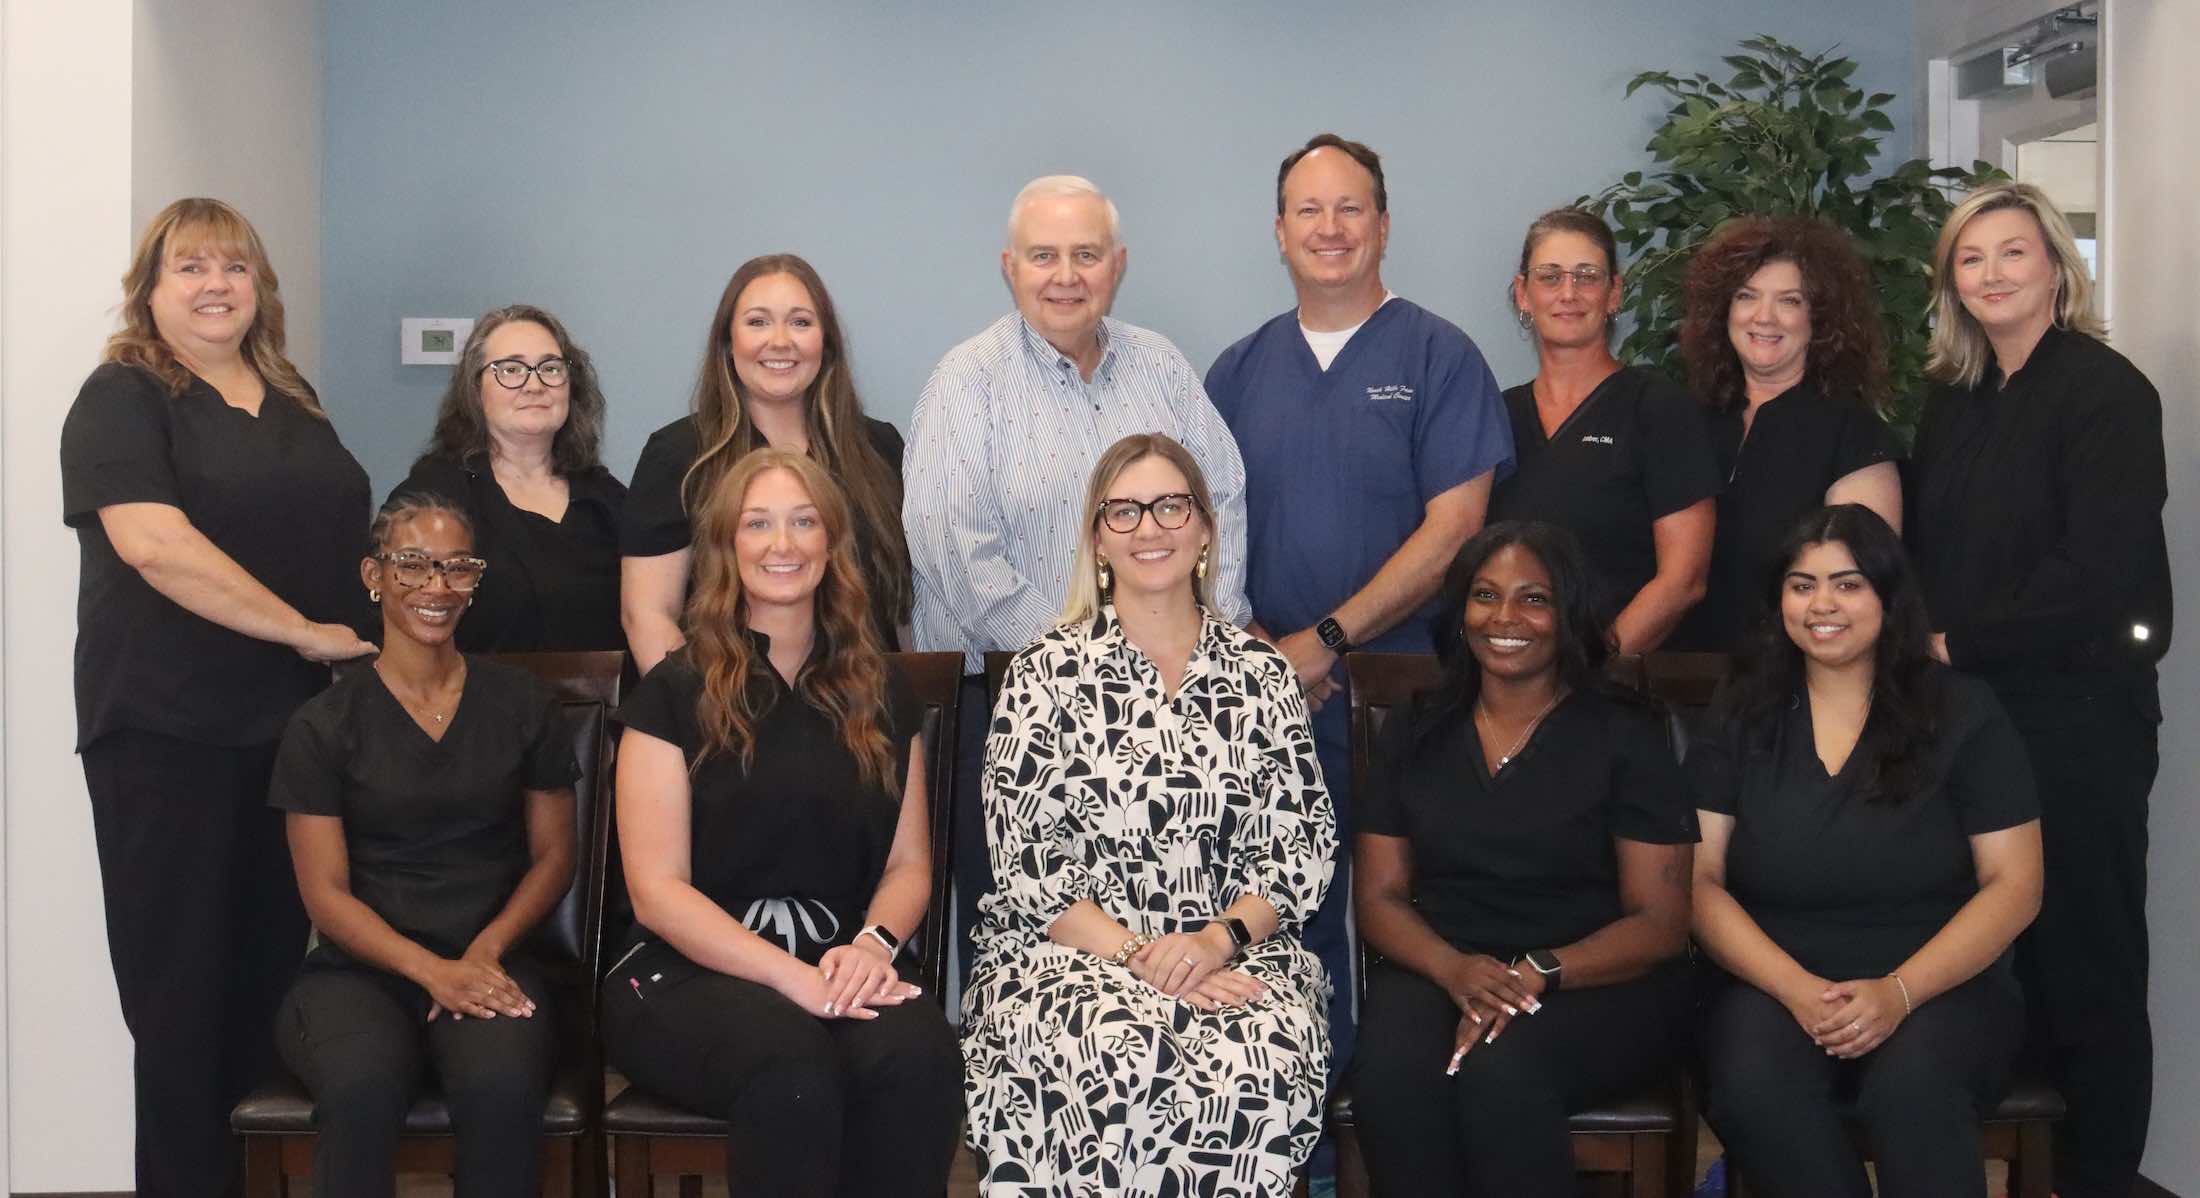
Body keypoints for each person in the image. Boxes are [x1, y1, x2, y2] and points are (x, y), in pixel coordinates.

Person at [59, 197, 375, 1198]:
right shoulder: (122, 396)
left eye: (234, 267)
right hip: (168, 734)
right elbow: (154, 546)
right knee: (181, 1005)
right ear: (149, 291)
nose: (215, 285)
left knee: (271, 994)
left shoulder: (292, 396)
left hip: (291, 738)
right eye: (190, 267)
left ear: (259, 287)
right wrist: (301, 631)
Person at [1206, 134, 1512, 1077]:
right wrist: (1264, 650)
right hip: (1267, 699)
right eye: (1309, 209)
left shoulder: (1439, 355)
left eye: (1350, 208)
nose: (1330, 227)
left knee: (1414, 913)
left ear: (1382, 224)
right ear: (1279, 231)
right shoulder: (1236, 371)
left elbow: (1456, 527)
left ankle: (1405, 1111)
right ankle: (1311, 1116)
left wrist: (1328, 640)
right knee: (1281, 912)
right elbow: (1200, 530)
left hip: (1407, 697)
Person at [903, 174, 1253, 985]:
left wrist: (1211, 645)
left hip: (1177, 705)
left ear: (1117, 264)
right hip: (1007, 704)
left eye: (1086, 255)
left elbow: (1223, 502)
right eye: (1044, 256)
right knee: (1033, 942)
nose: (1066, 276)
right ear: (1009, 266)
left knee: (1170, 935)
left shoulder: (1162, 368)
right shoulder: (967, 380)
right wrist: (1092, 667)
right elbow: (954, 549)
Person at [963, 433, 1334, 1194]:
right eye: (1124, 511)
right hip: (1069, 955)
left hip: (1232, 952)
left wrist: (1212, 943)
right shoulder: (1042, 674)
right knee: (1106, 1046)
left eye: (1170, 506)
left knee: (1255, 1055)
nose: (1149, 528)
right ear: (1097, 539)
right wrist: (1143, 956)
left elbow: (1296, 853)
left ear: (1205, 530)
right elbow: (1029, 867)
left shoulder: (1263, 676)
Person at [1906, 181, 2169, 1198]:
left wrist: (1955, 640)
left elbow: (2096, 572)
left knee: (2086, 963)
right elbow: (1929, 553)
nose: (1992, 274)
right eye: (1970, 259)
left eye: (2012, 252)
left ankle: (2097, 1179)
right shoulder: (1954, 400)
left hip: (2079, 722)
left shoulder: (2107, 392)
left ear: (2057, 267)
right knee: (1994, 960)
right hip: (1969, 719)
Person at [604, 448, 961, 1196]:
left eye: (803, 522)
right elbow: (657, 893)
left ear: (831, 542)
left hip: (843, 960)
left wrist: (872, 947)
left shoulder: (881, 689)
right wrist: (795, 981)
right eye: (758, 524)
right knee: (791, 1068)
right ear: (726, 546)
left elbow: (909, 867)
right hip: (684, 974)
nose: (783, 544)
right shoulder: (672, 692)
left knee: (917, 1056)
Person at [1691, 505, 2044, 1197]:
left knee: (1914, 1087)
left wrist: (1898, 993)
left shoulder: (1964, 710)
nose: (1822, 604)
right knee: (1752, 1084)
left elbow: (2015, 884)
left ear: (1889, 596)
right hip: (1775, 981)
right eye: (1802, 585)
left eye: (1848, 584)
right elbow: (1698, 882)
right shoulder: (1740, 710)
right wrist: (1796, 989)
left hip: (1941, 984)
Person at [1350, 521, 1697, 1196]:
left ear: (1570, 613)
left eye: (1534, 598)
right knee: (1393, 1078)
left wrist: (1541, 970)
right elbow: (1378, 897)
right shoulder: (1417, 728)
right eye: (1485, 595)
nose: (1505, 617)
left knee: (1499, 1068)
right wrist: (1454, 969)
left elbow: (1660, 923)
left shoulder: (1628, 734)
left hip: (1595, 978)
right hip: (1441, 962)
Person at [269, 495, 577, 1198]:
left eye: (457, 567)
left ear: (475, 580)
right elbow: (324, 895)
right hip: (360, 973)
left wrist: (483, 954)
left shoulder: (524, 704)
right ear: (374, 575)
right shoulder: (323, 725)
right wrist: (433, 972)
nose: (436, 586)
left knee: (500, 1088)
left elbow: (555, 857)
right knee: (361, 1089)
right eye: (412, 564)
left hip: (494, 958)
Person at [622, 253, 909, 667]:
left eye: (800, 322)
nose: (780, 340)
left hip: (864, 697)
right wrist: (694, 704)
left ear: (826, 342)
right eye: (758, 322)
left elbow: (903, 609)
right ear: (727, 342)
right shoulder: (676, 455)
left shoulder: (879, 448)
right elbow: (648, 615)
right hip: (723, 700)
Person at [1487, 207, 1719, 653]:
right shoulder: (1496, 416)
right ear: (1523, 293)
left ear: (1614, 293)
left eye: (1587, 276)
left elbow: (1683, 580)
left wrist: (1592, 672)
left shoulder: (1658, 408)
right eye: (1550, 277)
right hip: (1510, 671)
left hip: (1615, 676)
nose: (1568, 293)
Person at [1670, 216, 1902, 651]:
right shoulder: (1685, 419)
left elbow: (1859, 595)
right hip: (1674, 675)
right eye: (1746, 296)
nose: (1764, 317)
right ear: (1723, 311)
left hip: (1792, 677)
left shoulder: (1854, 434)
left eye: (1790, 301)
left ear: (1821, 319)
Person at [389, 304, 626, 653]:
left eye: (550, 368)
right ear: (475, 389)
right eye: (511, 370)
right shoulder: (432, 499)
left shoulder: (609, 500)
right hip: (472, 689)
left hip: (604, 691)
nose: (534, 385)